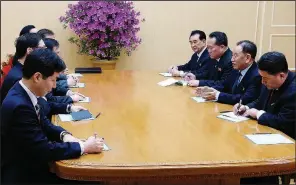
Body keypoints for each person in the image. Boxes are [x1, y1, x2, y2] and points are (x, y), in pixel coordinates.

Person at [1, 49, 104, 184]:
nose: (55, 85)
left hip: (33, 162)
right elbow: (43, 149)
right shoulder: (20, 106)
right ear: (37, 77)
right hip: (24, 175)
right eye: (53, 80)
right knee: (91, 179)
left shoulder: (24, 90)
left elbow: (43, 122)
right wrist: (83, 146)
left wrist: (65, 135)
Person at [233, 51, 296, 139]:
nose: (262, 82)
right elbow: (260, 101)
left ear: (281, 76)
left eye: (265, 78)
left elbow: (283, 122)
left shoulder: (293, 92)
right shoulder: (270, 82)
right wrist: (246, 107)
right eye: (261, 77)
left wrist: (257, 113)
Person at [196, 40, 262, 105]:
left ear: (247, 58)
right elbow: (224, 85)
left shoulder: (257, 75)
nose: (232, 59)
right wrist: (210, 90)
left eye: (235, 56)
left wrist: (217, 95)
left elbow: (244, 99)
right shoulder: (236, 69)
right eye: (232, 55)